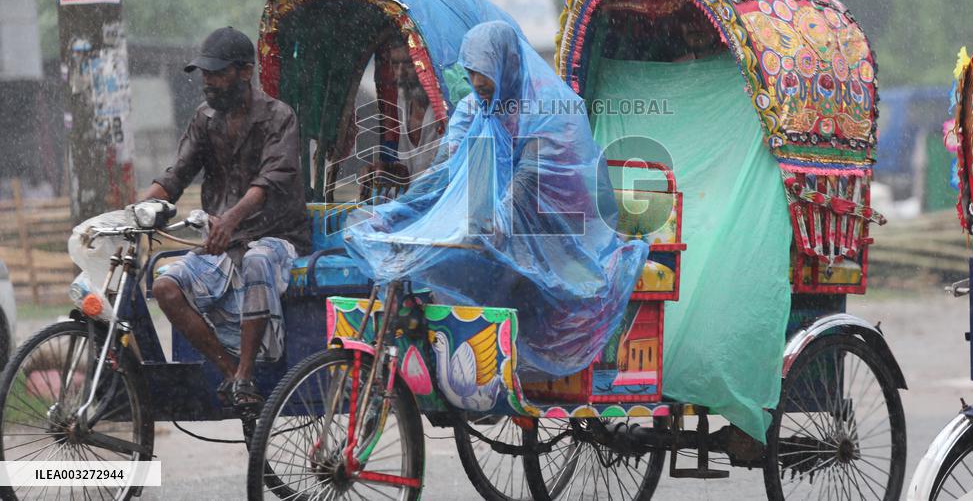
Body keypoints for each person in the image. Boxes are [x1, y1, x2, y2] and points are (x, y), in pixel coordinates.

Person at [344, 21, 648, 380]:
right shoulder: (475, 108)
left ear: (508, 65)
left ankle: (498, 365)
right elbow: (444, 171)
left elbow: (529, 182)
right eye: (471, 74)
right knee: (435, 265)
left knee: (484, 266)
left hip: (560, 230)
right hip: (496, 224)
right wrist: (395, 215)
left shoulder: (550, 110)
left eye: (484, 75)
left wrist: (488, 225)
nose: (476, 85)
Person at [140, 27, 310, 414]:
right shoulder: (205, 119)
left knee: (257, 259)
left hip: (277, 236)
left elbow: (269, 180)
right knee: (165, 286)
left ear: (245, 72)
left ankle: (247, 374)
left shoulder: (279, 117)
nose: (208, 82)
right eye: (205, 74)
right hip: (223, 242)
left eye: (217, 74)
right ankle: (231, 373)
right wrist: (135, 211)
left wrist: (231, 219)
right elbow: (176, 175)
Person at [362, 34, 444, 190]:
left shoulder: (444, 106)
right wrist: (388, 170)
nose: (400, 73)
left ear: (426, 64)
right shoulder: (403, 99)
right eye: (395, 64)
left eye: (409, 64)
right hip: (414, 198)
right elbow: (408, 168)